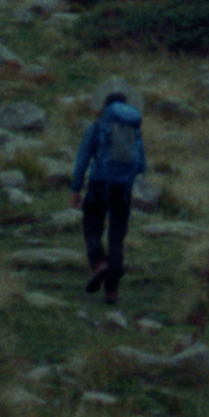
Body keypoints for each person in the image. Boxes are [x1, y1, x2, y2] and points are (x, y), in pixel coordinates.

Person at [69, 90, 146, 303]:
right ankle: (112, 291)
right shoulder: (134, 130)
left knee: (91, 226)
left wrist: (76, 188)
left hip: (99, 185)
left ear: (105, 107)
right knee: (116, 236)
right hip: (123, 188)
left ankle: (99, 264)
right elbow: (141, 164)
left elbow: (82, 159)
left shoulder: (96, 127)